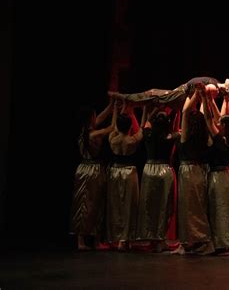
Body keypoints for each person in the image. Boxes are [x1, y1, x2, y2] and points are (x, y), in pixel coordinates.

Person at [172, 85, 214, 255]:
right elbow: (208, 118)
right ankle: (187, 242)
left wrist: (196, 95)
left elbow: (185, 111)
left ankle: (204, 241)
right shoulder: (205, 134)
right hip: (199, 171)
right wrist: (203, 98)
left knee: (191, 208)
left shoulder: (186, 135)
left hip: (189, 172)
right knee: (195, 207)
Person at [70, 97, 115, 250]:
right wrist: (116, 111)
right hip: (94, 171)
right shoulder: (93, 134)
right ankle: (89, 241)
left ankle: (85, 241)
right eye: (94, 116)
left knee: (82, 204)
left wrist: (110, 105)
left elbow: (101, 118)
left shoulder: (84, 131)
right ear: (91, 118)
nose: (97, 118)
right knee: (94, 204)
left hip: (82, 169)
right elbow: (111, 128)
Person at [200, 88, 229, 253]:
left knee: (221, 208)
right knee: (222, 208)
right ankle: (223, 241)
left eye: (221, 123)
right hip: (224, 176)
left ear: (224, 126)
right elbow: (215, 119)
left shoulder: (221, 139)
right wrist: (209, 100)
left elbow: (209, 120)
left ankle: (227, 242)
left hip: (219, 176)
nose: (219, 123)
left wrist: (205, 99)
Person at [135, 106, 179, 252]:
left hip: (149, 170)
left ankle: (150, 237)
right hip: (164, 171)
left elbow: (146, 122)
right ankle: (160, 240)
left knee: (149, 204)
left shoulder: (148, 134)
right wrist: (175, 111)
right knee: (163, 206)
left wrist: (155, 109)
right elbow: (175, 129)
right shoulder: (171, 136)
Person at [107, 101, 144, 251]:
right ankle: (125, 238)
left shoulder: (112, 139)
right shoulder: (132, 141)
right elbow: (142, 128)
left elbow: (115, 126)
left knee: (116, 205)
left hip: (115, 172)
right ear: (129, 126)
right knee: (130, 205)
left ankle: (117, 237)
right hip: (129, 173)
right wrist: (148, 111)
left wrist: (118, 110)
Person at [109, 77, 229, 111]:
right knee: (154, 99)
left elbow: (202, 104)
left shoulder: (213, 89)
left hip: (181, 95)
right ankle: (125, 103)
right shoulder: (216, 85)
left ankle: (122, 98)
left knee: (153, 94)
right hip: (181, 92)